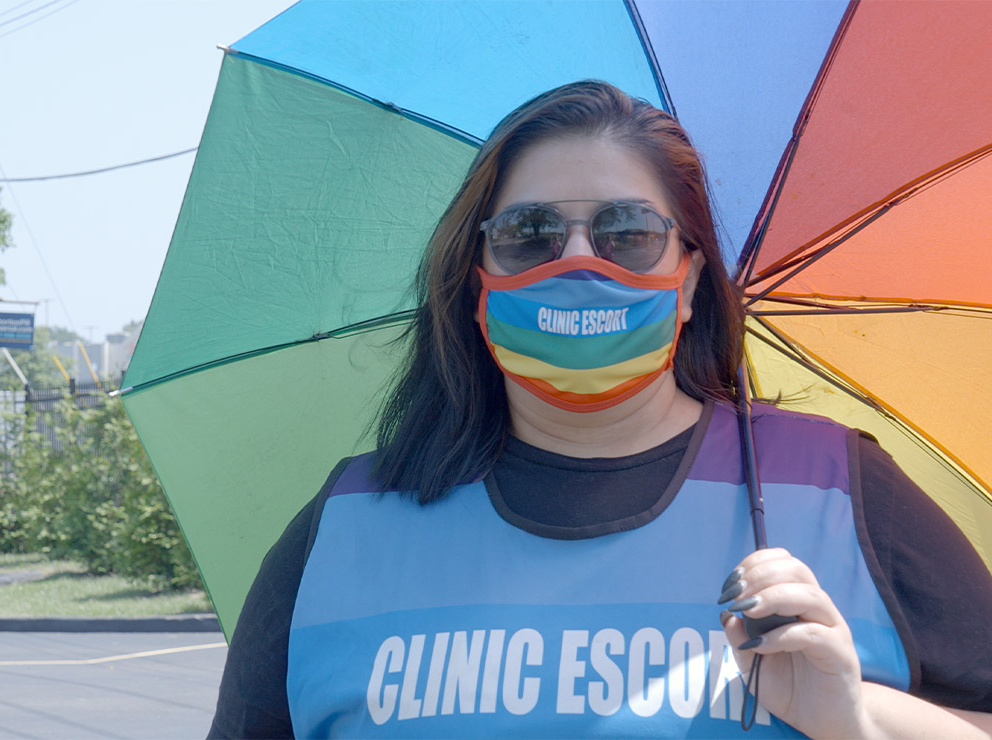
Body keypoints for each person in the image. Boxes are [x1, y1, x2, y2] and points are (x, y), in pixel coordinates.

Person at [208, 81, 992, 738]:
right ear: (477, 278)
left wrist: (856, 719)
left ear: (689, 279)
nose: (579, 261)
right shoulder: (346, 522)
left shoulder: (838, 488)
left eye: (627, 231)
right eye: (529, 233)